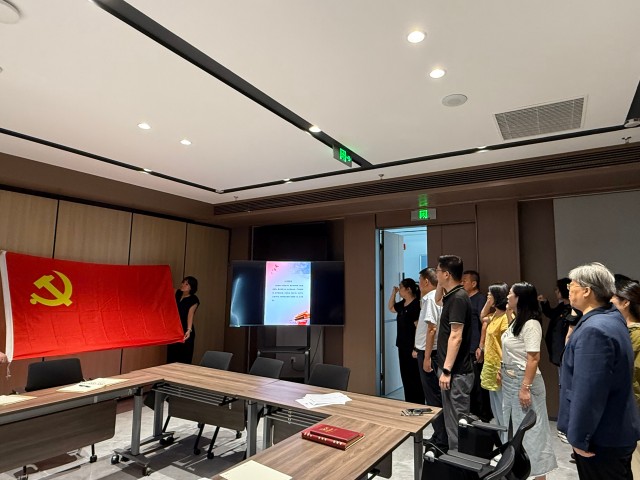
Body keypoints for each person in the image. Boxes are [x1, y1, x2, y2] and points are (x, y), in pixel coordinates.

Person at [558, 263, 640, 480]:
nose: (569, 290)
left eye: (572, 285)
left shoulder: (594, 330)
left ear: (587, 291)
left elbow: (589, 391)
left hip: (601, 436)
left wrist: (580, 437)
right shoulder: (611, 317)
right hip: (614, 428)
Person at [501, 282, 557, 480]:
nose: (507, 296)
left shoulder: (531, 324)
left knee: (533, 433)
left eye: (510, 293)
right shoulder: (517, 320)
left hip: (524, 381)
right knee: (515, 431)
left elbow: (533, 358)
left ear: (519, 298)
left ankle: (540, 476)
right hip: (510, 379)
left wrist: (525, 387)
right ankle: (520, 473)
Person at [435, 255, 474, 450]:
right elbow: (437, 300)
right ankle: (454, 455)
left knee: (459, 421)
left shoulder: (458, 298)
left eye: (438, 271)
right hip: (451, 371)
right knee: (451, 420)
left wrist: (447, 370)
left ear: (447, 274)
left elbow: (456, 335)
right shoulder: (451, 295)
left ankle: (462, 459)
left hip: (456, 372)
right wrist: (441, 283)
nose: (436, 274)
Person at [415, 267, 447, 450]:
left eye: (420, 280)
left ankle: (441, 439)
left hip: (430, 354)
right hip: (435, 352)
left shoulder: (430, 298)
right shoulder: (439, 297)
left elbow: (431, 329)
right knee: (436, 395)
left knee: (433, 397)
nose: (419, 284)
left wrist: (426, 357)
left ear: (426, 281)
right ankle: (439, 434)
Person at [611, 276, 640, 479]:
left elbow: (634, 377)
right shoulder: (624, 331)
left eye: (612, 298)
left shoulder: (634, 335)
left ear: (625, 302)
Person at [478, 282, 510, 439]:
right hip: (490, 364)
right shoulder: (494, 315)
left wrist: (501, 369)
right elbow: (482, 317)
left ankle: (507, 441)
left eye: (490, 294)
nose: (487, 296)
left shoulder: (505, 318)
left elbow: (507, 347)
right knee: (495, 407)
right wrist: (488, 302)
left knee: (503, 408)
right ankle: (502, 439)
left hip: (499, 366)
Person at [388, 278, 424, 404]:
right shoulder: (402, 304)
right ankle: (408, 401)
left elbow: (418, 328)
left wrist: (415, 347)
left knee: (414, 376)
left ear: (408, 289)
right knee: (405, 376)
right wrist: (393, 293)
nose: (399, 290)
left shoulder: (416, 305)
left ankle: (418, 402)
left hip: (412, 347)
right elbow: (391, 308)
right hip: (402, 345)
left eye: (401, 287)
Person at [462, 270, 491, 421]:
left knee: (479, 384)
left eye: (465, 281)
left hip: (476, 348)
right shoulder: (464, 299)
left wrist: (481, 346)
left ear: (474, 283)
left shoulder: (480, 299)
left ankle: (483, 415)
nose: (462, 283)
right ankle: (472, 412)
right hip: (465, 348)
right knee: (469, 383)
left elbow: (484, 324)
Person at [538, 277, 572, 367]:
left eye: (557, 289)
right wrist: (544, 302)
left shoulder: (573, 309)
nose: (555, 291)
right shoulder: (561, 306)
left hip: (565, 349)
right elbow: (551, 314)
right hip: (557, 349)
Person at [167, 276, 200, 365]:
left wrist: (188, 330)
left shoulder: (194, 299)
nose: (183, 285)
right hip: (174, 329)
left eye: (187, 284)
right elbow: (165, 288)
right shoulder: (177, 293)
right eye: (183, 282)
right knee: (171, 356)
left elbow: (190, 315)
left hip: (185, 330)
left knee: (183, 358)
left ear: (191, 287)